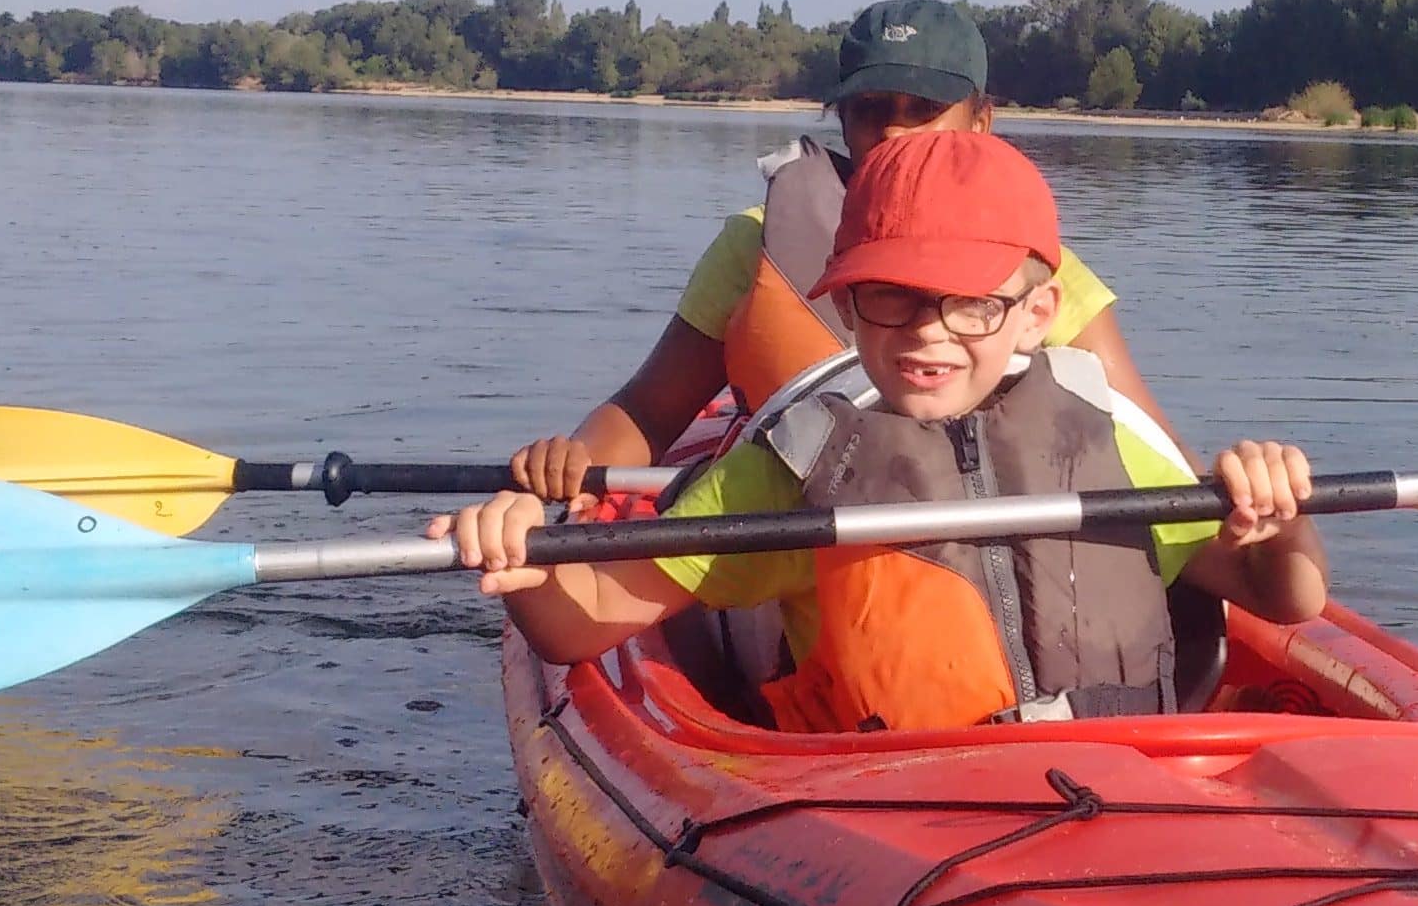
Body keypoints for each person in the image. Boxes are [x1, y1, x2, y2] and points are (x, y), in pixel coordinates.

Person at [439, 130, 1322, 733]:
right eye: (890, 298)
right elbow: (581, 625)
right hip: (886, 806)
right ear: (849, 307)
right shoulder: (794, 465)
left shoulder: (1110, 440)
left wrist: (1281, 514)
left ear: (1037, 313)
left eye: (971, 302)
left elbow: (1285, 597)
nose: (928, 331)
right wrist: (520, 557)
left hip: (1120, 789)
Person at [508, 0, 1159, 500]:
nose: (896, 129)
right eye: (873, 108)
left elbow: (1146, 442)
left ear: (980, 123)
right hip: (799, 533)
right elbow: (649, 412)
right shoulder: (753, 242)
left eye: (923, 106)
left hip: (992, 535)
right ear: (842, 121)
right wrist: (571, 470)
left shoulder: (1033, 264)